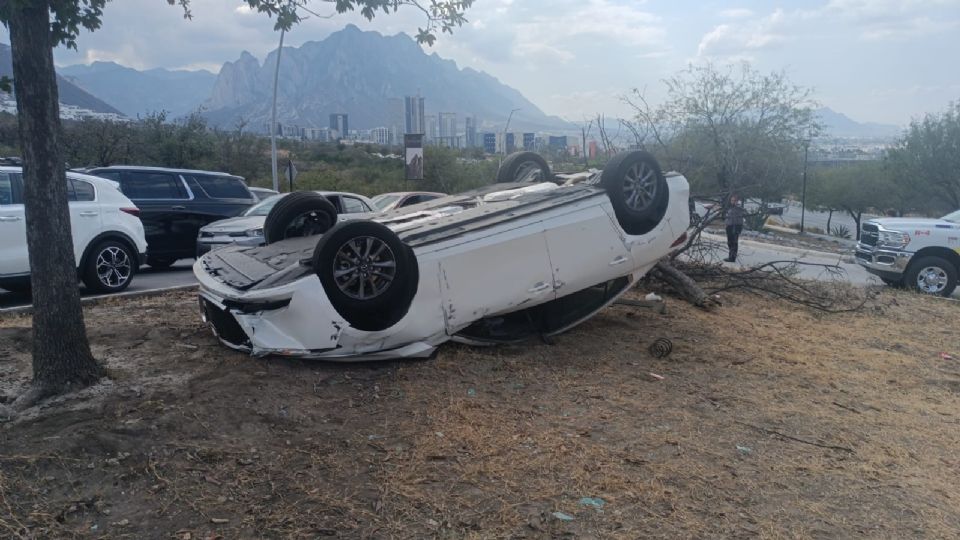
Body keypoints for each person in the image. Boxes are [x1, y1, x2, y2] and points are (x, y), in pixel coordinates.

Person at [724, 194, 744, 262]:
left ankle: (732, 258)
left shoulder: (738, 208)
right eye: (732, 200)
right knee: (729, 242)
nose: (733, 202)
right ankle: (730, 256)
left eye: (734, 200)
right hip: (729, 227)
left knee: (734, 243)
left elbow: (738, 220)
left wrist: (738, 228)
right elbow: (728, 218)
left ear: (737, 201)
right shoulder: (730, 208)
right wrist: (726, 224)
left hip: (735, 227)